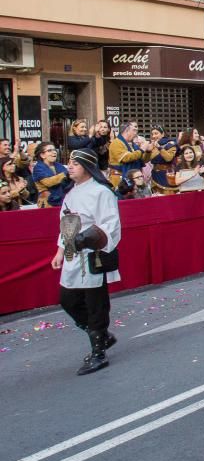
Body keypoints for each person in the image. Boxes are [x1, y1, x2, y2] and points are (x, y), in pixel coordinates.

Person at [50, 148, 122, 375]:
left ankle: (98, 351)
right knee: (68, 299)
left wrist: (91, 239)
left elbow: (111, 225)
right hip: (73, 256)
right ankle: (102, 335)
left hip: (94, 256)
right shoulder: (71, 195)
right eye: (69, 163)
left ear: (87, 167)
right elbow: (67, 225)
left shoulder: (102, 193)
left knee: (95, 304)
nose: (69, 166)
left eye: (75, 163)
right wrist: (61, 251)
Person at [108, 121, 152, 188]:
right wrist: (142, 149)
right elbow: (126, 158)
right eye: (134, 130)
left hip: (134, 178)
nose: (136, 133)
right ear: (126, 130)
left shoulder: (133, 144)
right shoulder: (116, 143)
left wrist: (148, 152)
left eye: (137, 131)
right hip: (120, 178)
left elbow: (142, 160)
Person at [33, 142, 71, 208]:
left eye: (54, 150)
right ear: (42, 155)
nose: (54, 152)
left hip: (62, 201)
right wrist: (66, 173)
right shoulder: (38, 167)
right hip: (47, 203)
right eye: (49, 150)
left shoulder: (59, 165)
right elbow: (49, 182)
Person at [148, 125, 178, 194]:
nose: (154, 136)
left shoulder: (170, 144)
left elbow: (168, 158)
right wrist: (147, 151)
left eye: (156, 133)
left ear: (162, 134)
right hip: (155, 175)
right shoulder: (152, 145)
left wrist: (160, 148)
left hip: (166, 175)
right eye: (152, 134)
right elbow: (145, 160)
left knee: (168, 197)